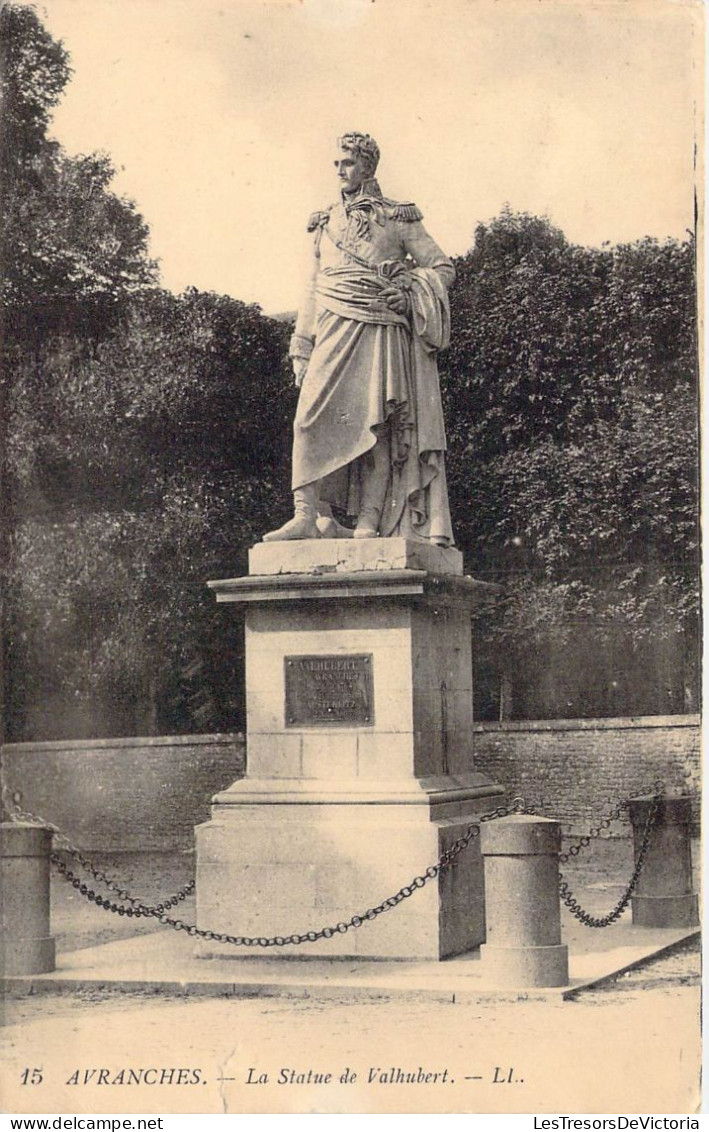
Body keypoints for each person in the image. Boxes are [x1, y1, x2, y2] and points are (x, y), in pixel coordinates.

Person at [263, 131, 455, 546]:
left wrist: (408, 292)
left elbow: (441, 267)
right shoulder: (325, 220)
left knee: (376, 429)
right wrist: (301, 345)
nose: (339, 171)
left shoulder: (398, 216)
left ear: (367, 166)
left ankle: (369, 520)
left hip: (379, 327)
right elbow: (314, 287)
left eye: (346, 163)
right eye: (336, 164)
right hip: (332, 328)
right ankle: (306, 516)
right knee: (308, 420)